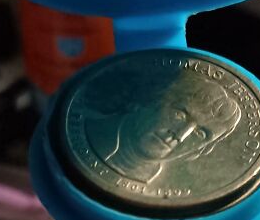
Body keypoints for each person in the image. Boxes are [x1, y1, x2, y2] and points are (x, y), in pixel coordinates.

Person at [84, 77, 242, 183]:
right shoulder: (89, 130)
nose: (180, 135)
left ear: (200, 150)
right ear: (152, 100)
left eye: (199, 134)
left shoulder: (179, 187)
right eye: (179, 115)